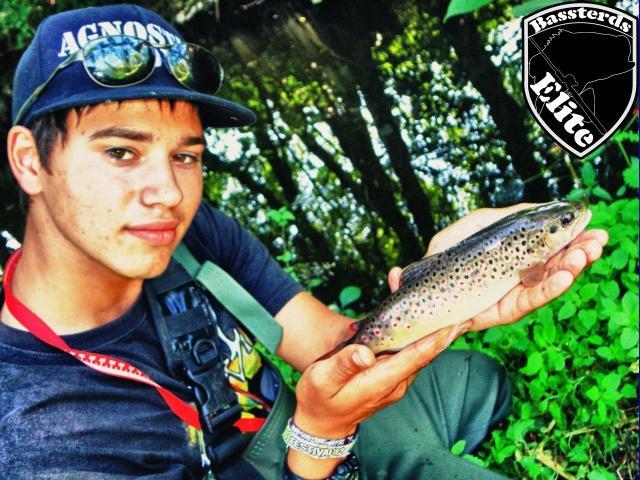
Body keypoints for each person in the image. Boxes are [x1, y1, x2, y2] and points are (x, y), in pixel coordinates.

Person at [0, 4, 607, 480]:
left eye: (185, 155)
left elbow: (330, 344)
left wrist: (448, 287)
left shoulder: (188, 230)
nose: (168, 192)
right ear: (29, 161)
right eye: (121, 152)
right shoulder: (39, 442)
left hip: (309, 431)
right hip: (307, 457)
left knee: (476, 378)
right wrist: (321, 434)